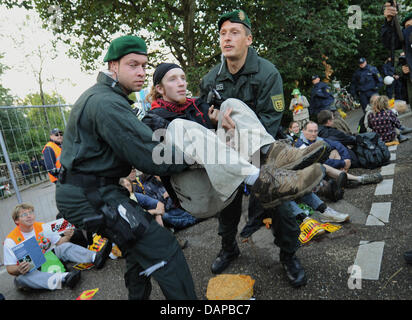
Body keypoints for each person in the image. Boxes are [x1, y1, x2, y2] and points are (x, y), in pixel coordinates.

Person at [144, 56, 325, 288]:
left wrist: (226, 133)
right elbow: (162, 163)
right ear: (159, 89)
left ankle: (275, 155)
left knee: (232, 104)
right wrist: (215, 141)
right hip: (196, 189)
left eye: (182, 77)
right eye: (172, 79)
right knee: (181, 128)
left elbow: (224, 146)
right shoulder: (152, 120)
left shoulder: (200, 107)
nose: (181, 83)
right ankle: (231, 242)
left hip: (231, 170)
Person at [55, 35, 199, 300]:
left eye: (144, 65)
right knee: (164, 248)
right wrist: (194, 156)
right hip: (89, 196)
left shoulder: (108, 96)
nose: (142, 72)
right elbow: (151, 156)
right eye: (133, 65)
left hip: (98, 190)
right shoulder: (106, 102)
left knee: (137, 249)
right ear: (113, 66)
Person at [199, 10, 328, 288]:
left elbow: (269, 127)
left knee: (278, 199)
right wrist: (211, 117)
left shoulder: (267, 72)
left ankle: (288, 254)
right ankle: (228, 246)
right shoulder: (212, 78)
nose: (227, 38)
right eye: (222, 33)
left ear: (248, 38)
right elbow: (202, 114)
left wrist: (246, 157)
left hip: (264, 149)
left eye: (234, 32)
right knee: (226, 201)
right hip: (227, 149)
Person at [3, 203, 111, 290]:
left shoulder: (42, 227)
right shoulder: (10, 240)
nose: (29, 215)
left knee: (64, 247)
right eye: (24, 214)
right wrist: (19, 269)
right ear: (16, 221)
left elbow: (60, 242)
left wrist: (68, 236)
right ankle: (65, 278)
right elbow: (10, 268)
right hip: (31, 270)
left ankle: (95, 257)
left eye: (30, 212)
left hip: (48, 258)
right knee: (22, 279)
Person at [296, 121, 383, 186]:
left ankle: (344, 178)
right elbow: (320, 161)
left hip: (328, 168)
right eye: (310, 131)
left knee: (334, 150)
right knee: (322, 164)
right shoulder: (300, 144)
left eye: (315, 131)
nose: (314, 134)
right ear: (303, 131)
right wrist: (342, 163)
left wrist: (347, 158)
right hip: (313, 172)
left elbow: (337, 144)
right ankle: (359, 179)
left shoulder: (317, 138)